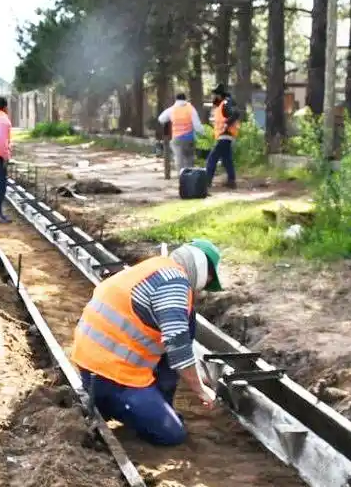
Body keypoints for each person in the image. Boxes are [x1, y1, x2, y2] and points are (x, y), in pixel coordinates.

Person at [70, 240, 224, 446]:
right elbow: (178, 346)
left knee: (188, 316)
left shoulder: (155, 267)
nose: (203, 288)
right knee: (172, 434)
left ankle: (145, 403)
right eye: (209, 280)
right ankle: (129, 408)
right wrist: (200, 389)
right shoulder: (175, 284)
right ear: (204, 270)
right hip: (115, 377)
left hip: (90, 368)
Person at [205, 84, 241, 190]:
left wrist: (226, 124)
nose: (213, 98)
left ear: (219, 95)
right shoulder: (223, 103)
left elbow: (236, 113)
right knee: (226, 159)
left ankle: (207, 181)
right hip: (225, 136)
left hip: (224, 135)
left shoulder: (226, 103)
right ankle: (231, 181)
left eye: (215, 95)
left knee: (212, 158)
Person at [157, 92, 204, 171]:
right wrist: (203, 133)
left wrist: (170, 119)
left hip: (177, 139)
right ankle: (190, 177)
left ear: (176, 99)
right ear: (185, 99)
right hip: (189, 139)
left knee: (179, 159)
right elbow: (197, 126)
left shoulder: (172, 109)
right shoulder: (190, 108)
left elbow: (161, 119)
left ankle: (181, 177)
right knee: (189, 159)